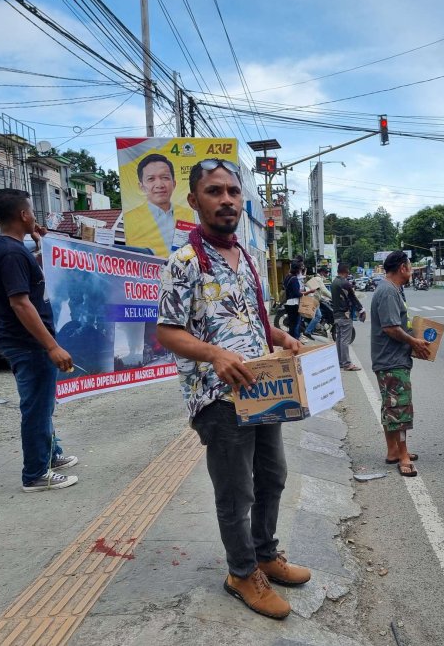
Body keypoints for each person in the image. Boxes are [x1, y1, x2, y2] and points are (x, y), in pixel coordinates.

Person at [156, 158, 308, 621]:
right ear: (194, 199)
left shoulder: (247, 257)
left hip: (263, 391)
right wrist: (215, 355)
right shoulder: (184, 261)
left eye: (232, 192)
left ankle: (265, 555)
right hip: (218, 399)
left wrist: (279, 337)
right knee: (235, 491)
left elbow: (251, 315)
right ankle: (241, 573)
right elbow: (167, 331)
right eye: (215, 191)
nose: (226, 200)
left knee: (273, 477)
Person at [0, 189, 79, 493]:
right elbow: (20, 303)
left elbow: (31, 276)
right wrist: (51, 346)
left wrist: (40, 244)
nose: (35, 217)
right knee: (37, 407)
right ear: (23, 215)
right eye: (32, 211)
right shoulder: (10, 252)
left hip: (28, 342)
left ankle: (51, 455)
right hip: (29, 344)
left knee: (43, 403)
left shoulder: (11, 247)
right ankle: (35, 474)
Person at [370, 251, 431, 477]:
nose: (412, 270)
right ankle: (403, 456)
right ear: (402, 268)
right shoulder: (387, 291)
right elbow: (391, 328)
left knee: (391, 406)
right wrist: (414, 341)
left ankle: (393, 451)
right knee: (400, 409)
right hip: (391, 360)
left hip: (390, 359)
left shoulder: (391, 290)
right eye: (410, 266)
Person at [123, 153, 197, 258]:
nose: (159, 185)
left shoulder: (191, 215)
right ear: (141, 187)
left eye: (165, 177)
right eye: (151, 179)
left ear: (174, 183)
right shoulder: (129, 219)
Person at [331, 263, 365, 371]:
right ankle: (346, 364)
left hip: (336, 315)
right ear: (346, 271)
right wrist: (361, 309)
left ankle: (340, 362)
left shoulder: (334, 283)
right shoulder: (344, 283)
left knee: (340, 339)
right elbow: (353, 297)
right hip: (344, 315)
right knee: (345, 340)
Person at [302, 265, 331, 339]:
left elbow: (318, 291)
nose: (327, 274)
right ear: (322, 272)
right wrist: (333, 297)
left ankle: (312, 330)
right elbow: (324, 291)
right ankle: (308, 331)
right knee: (318, 316)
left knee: (317, 315)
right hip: (312, 300)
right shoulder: (318, 279)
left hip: (311, 298)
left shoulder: (316, 278)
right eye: (326, 272)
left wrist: (323, 298)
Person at [283, 263, 304, 342]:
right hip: (294, 303)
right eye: (300, 269)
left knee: (292, 324)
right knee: (295, 324)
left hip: (288, 303)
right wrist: (304, 293)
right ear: (297, 269)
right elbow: (296, 293)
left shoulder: (287, 277)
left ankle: (291, 341)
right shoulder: (294, 278)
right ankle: (295, 341)